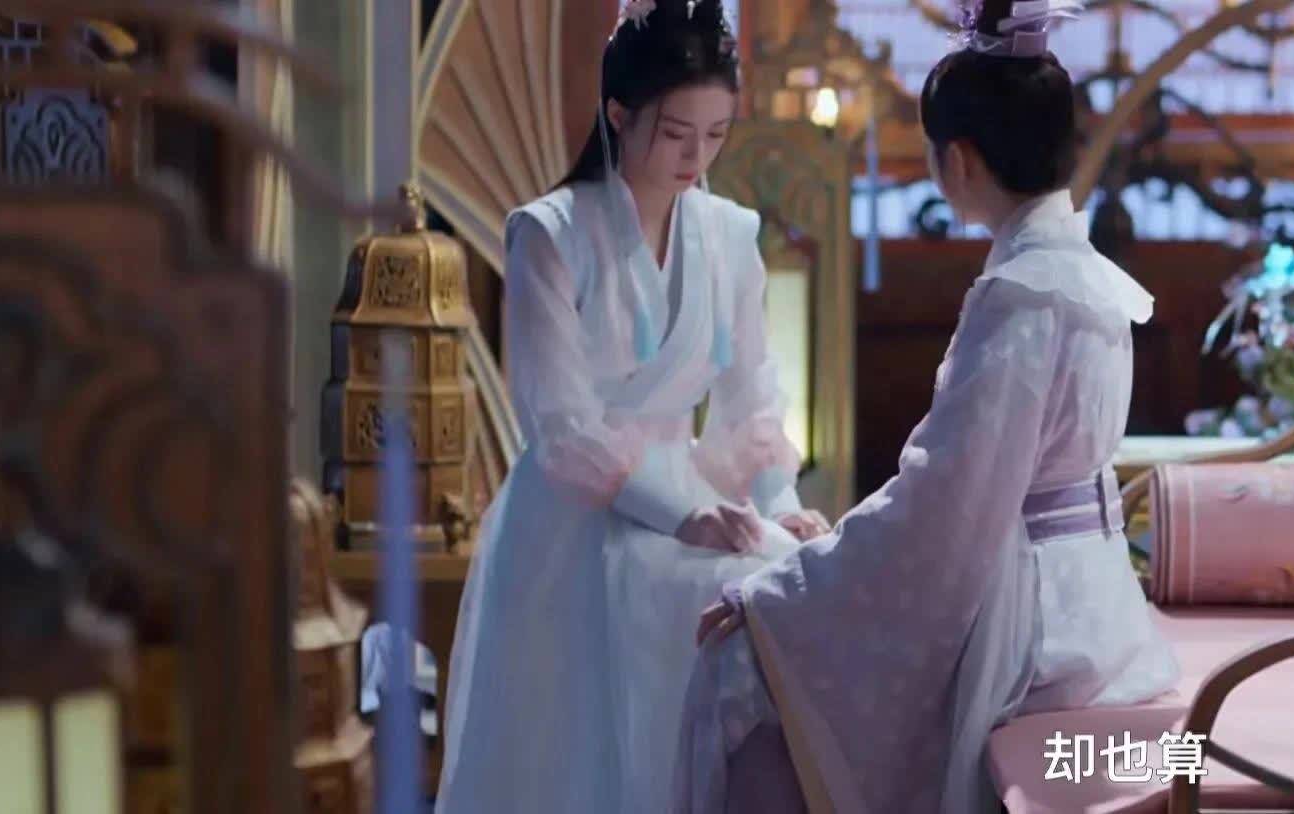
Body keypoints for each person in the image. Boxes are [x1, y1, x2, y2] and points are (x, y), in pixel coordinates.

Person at [674, 0, 1179, 809]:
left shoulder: (1021, 295)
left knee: (737, 669)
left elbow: (945, 504)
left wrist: (780, 592)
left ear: (962, 161)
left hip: (1035, 632)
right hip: (1099, 608)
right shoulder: (1088, 278)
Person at [435, 2, 831, 811]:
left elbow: (753, 394)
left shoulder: (730, 235)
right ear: (618, 114)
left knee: (780, 586)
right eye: (676, 132)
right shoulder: (549, 234)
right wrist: (680, 513)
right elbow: (561, 426)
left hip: (690, 494)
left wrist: (778, 501)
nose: (696, 157)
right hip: (571, 520)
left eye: (715, 134)